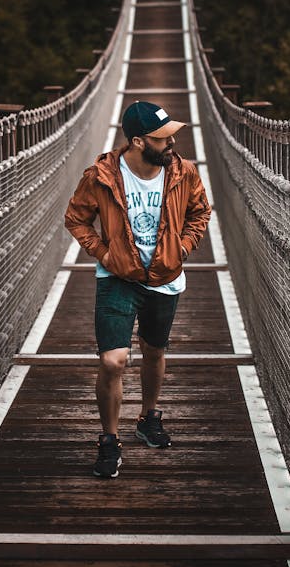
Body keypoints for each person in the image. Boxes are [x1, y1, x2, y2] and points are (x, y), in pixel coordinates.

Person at [64, 101, 211, 477]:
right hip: (118, 278)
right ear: (137, 141)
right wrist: (104, 253)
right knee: (113, 360)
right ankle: (109, 440)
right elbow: (76, 218)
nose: (172, 142)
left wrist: (182, 247)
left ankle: (148, 418)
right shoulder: (100, 176)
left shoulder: (183, 172)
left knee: (154, 350)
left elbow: (200, 212)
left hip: (165, 276)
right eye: (162, 138)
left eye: (171, 134)